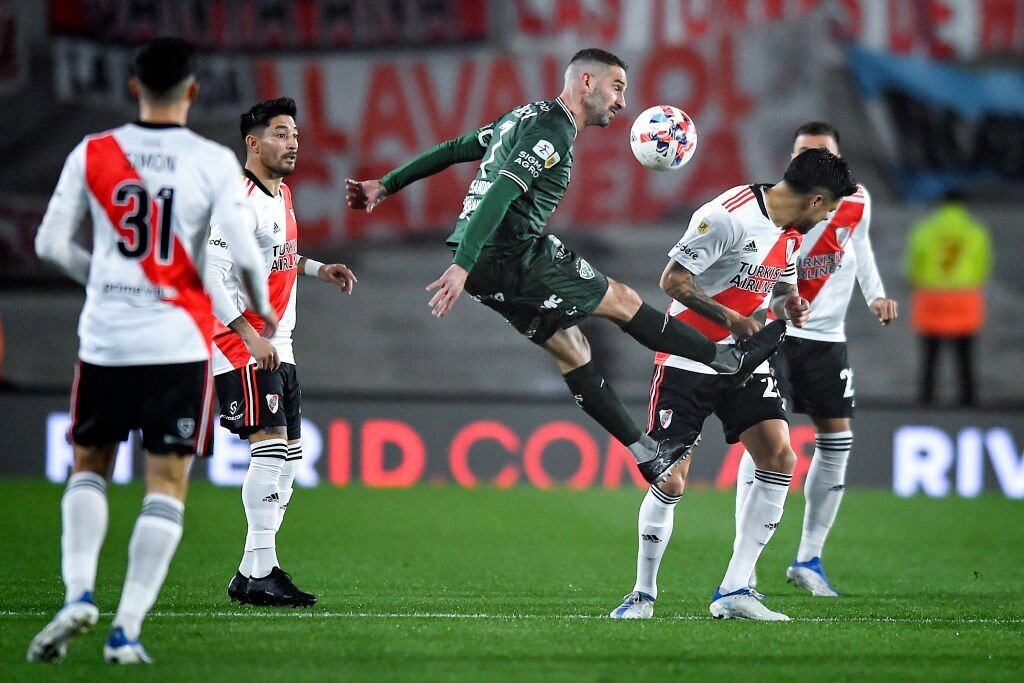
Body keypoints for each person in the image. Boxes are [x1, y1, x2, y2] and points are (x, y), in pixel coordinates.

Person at [346, 48, 786, 486]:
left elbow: (456, 148)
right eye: (616, 88)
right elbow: (501, 191)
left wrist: (387, 184)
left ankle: (647, 452)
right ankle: (724, 360)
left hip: (484, 262)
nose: (622, 102)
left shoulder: (523, 116)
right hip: (510, 252)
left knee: (571, 347)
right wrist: (462, 265)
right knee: (623, 299)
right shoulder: (553, 129)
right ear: (586, 83)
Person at [28, 38, 274, 664]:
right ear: (193, 91)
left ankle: (78, 592)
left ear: (133, 88)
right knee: (165, 482)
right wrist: (262, 309)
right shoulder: (212, 161)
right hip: (176, 341)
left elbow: (51, 244)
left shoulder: (95, 152)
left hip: (107, 338)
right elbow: (245, 252)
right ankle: (125, 629)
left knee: (89, 467)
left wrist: (103, 279)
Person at [609, 148, 859, 621]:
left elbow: (780, 289)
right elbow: (674, 281)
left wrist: (790, 306)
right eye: (828, 209)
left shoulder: (788, 235)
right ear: (816, 200)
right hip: (689, 357)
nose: (826, 218)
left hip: (744, 362)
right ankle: (642, 596)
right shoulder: (728, 216)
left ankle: (735, 587)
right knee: (670, 478)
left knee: (779, 455)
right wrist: (729, 317)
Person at [735, 122, 898, 597]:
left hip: (827, 338)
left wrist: (876, 296)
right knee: (764, 441)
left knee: (836, 441)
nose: (812, 162)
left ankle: (809, 558)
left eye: (822, 154)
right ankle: (743, 570)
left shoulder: (857, 201)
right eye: (804, 154)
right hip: (777, 332)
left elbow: (860, 246)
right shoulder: (777, 204)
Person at [206, 98, 357, 607]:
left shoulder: (282, 194)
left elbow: (279, 257)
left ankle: (255, 572)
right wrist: (250, 338)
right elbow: (209, 277)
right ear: (253, 143)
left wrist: (318, 270)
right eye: (280, 133)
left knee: (289, 463)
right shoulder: (236, 201)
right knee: (270, 449)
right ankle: (259, 571)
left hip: (278, 344)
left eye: (295, 133)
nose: (293, 142)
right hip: (242, 342)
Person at [906, 190, 991, 407]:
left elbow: (914, 263)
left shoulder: (925, 229)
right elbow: (983, 264)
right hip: (964, 298)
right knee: (965, 355)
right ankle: (968, 402)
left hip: (932, 297)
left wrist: (922, 281)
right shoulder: (975, 230)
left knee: (930, 355)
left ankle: (926, 401)